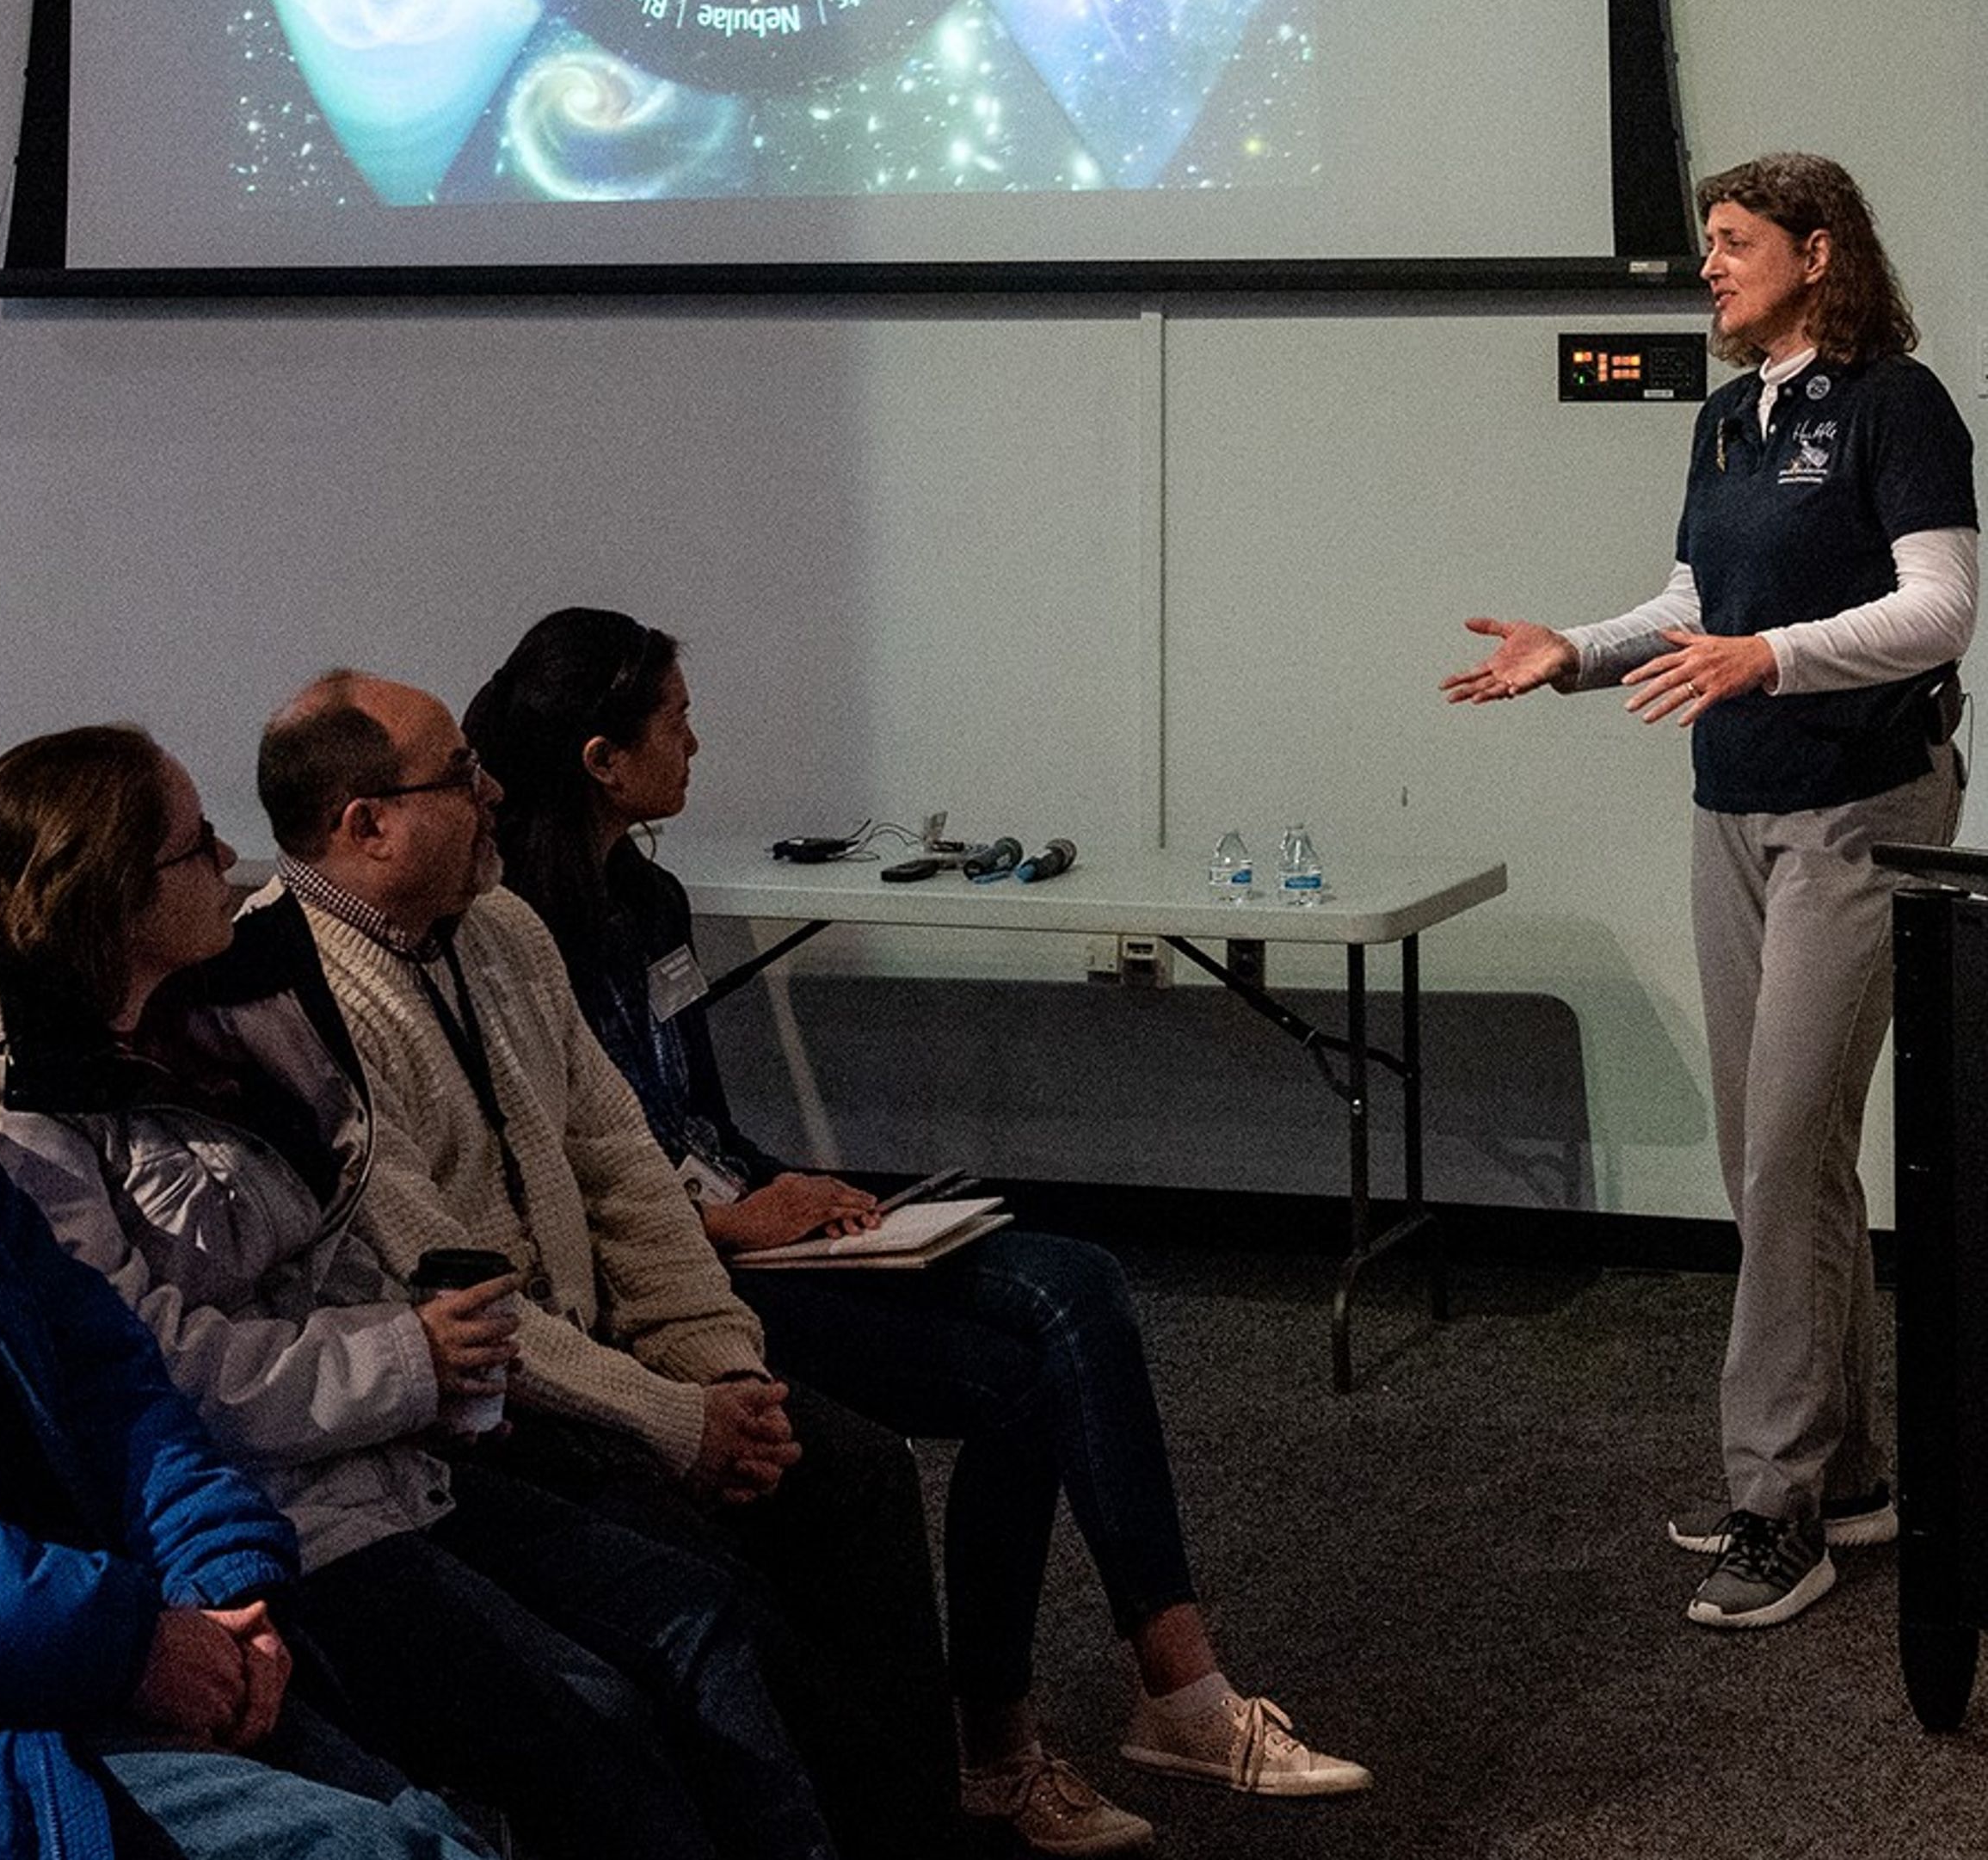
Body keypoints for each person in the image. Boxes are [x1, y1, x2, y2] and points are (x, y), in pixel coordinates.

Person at [461, 609, 1373, 1851]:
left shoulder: (651, 898)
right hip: (675, 1275)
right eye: (675, 719)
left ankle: (1146, 1698)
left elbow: (697, 1116)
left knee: (1079, 1280)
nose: (699, 739)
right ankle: (1062, 1726)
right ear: (601, 760)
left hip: (743, 1219)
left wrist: (810, 1193)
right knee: (1025, 1371)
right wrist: (734, 1223)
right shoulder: (510, 932)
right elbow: (583, 1170)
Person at [0, 723, 835, 1860]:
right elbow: (149, 1370)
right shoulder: (5, 1110)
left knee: (705, 1613)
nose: (229, 861)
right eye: (195, 845)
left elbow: (358, 1218)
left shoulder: (221, 1004)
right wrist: (410, 1359)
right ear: (115, 892)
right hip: (269, 1514)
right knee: (589, 1722)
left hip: (391, 1449)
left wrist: (654, 1357)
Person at [253, 668, 961, 1860]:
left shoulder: (503, 928)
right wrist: (673, 1425)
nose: (491, 794)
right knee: (722, 1619)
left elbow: (623, 1166)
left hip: (623, 1361)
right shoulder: (291, 997)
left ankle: (930, 1813)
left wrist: (720, 1370)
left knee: (855, 1475)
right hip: (486, 1414)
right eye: (459, 777)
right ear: (362, 825)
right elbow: (447, 1294)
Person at [1443, 153, 1977, 1629]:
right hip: (1732, 804)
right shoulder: (1729, 415)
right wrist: (1579, 650)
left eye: (1731, 243)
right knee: (1770, 1151)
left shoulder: (1896, 404)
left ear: (1817, 252)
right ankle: (1855, 1480)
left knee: (1784, 1144)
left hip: (1863, 803)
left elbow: (1939, 606)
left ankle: (1776, 1504)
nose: (1707, 268)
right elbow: (1695, 606)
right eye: (1706, 244)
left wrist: (1776, 654)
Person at [0, 752, 490, 1860]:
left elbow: (113, 1377)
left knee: (469, 1794)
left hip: (98, 1641)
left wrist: (223, 1578)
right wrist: (132, 1643)